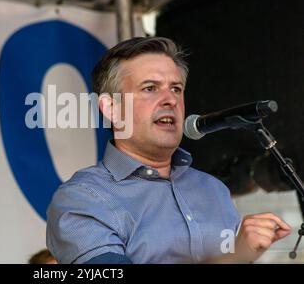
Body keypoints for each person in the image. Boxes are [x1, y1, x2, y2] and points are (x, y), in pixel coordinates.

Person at [46, 37, 291, 264]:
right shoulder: (82, 198)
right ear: (111, 109)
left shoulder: (214, 190)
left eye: (176, 88)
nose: (170, 100)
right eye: (150, 88)